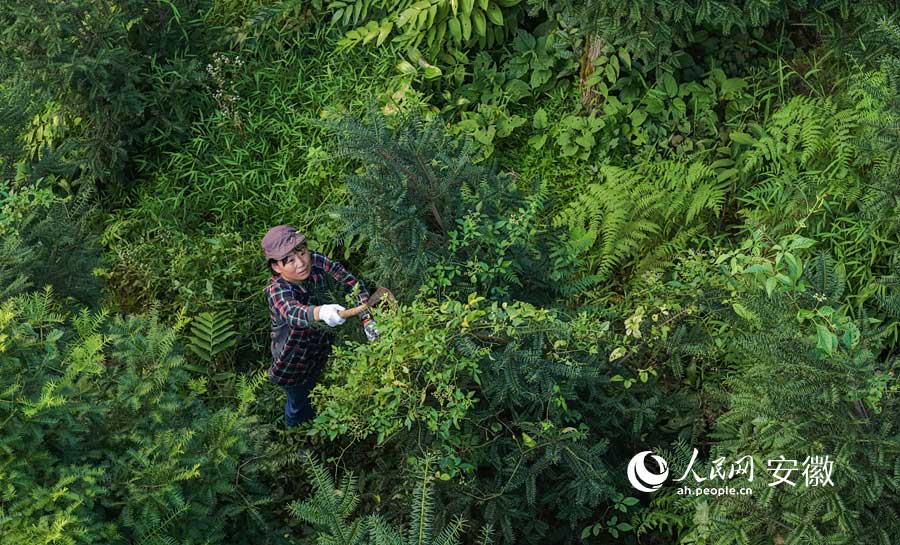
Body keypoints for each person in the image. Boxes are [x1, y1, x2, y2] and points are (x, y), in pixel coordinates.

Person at [261, 224, 369, 427]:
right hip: (293, 360)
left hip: (321, 347)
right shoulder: (276, 291)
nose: (301, 263)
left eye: (302, 252)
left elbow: (351, 283)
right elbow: (293, 312)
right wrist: (321, 312)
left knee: (318, 388)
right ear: (276, 267)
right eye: (289, 261)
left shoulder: (316, 261)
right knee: (298, 402)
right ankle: (296, 435)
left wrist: (367, 319)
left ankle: (319, 424)